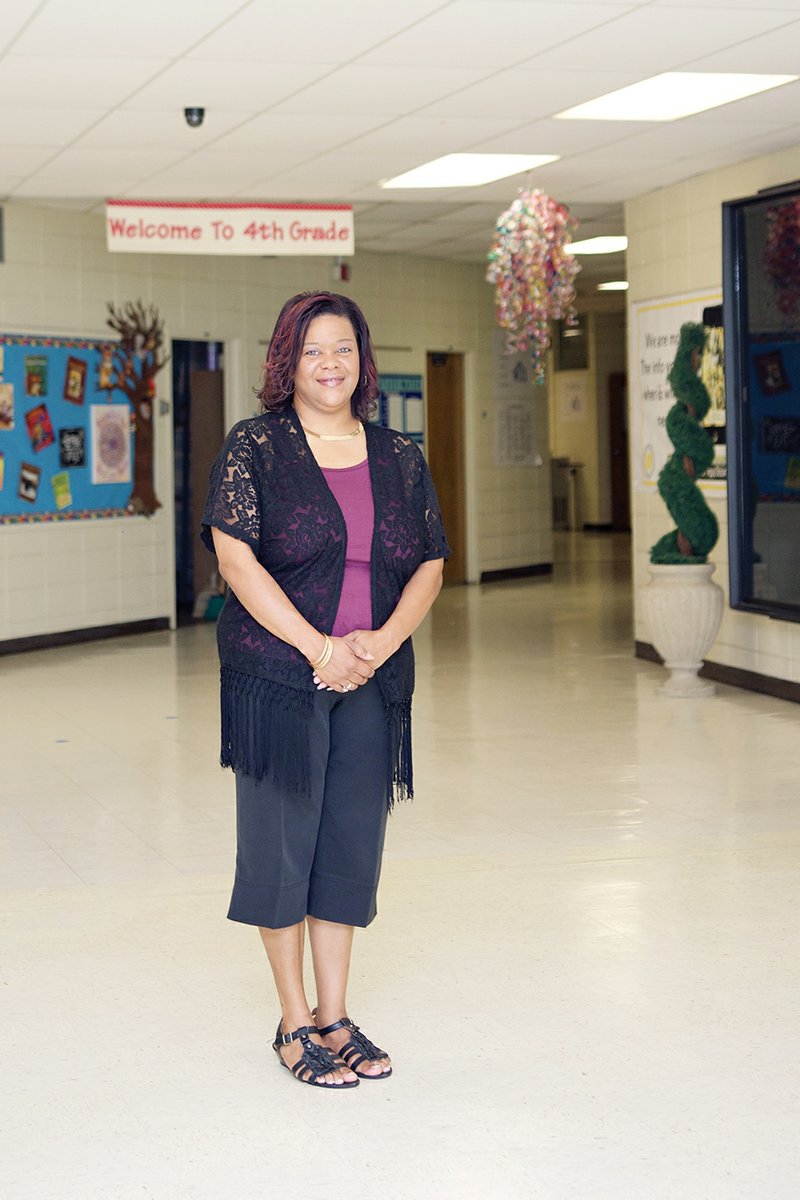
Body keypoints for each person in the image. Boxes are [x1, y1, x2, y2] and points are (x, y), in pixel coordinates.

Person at [201, 291, 449, 1090]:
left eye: (343, 349)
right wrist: (318, 647)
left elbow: (431, 563)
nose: (330, 364)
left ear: (362, 360)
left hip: (372, 679)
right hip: (278, 679)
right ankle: (293, 1020)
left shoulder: (399, 455)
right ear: (287, 362)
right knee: (281, 845)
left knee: (348, 844)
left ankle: (336, 1016)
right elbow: (237, 561)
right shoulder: (257, 448)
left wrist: (380, 643)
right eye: (313, 351)